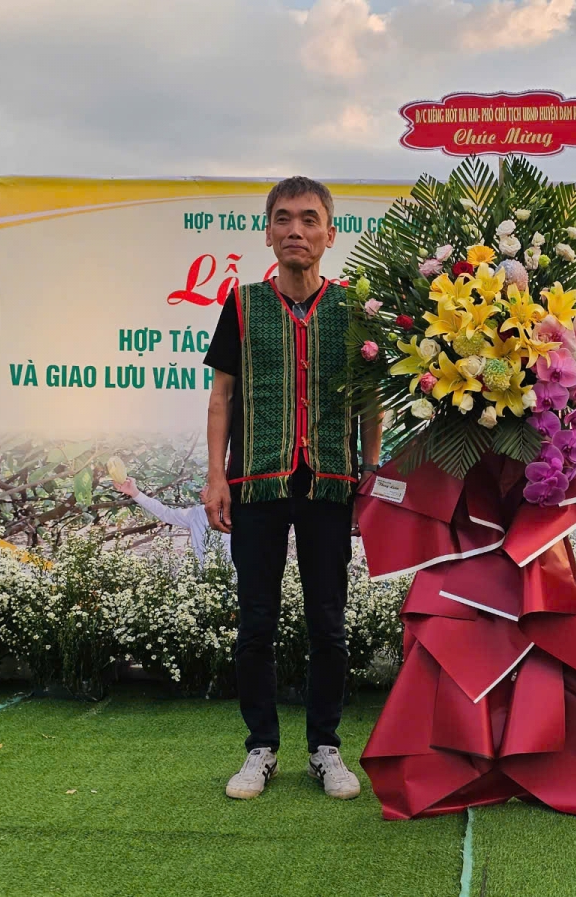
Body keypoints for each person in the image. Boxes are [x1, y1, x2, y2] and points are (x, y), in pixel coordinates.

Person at [201, 176, 382, 802]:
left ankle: (325, 748)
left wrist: (373, 470)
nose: (296, 231)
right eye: (284, 219)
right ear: (268, 231)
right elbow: (221, 396)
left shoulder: (356, 307)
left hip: (331, 483)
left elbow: (370, 399)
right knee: (256, 622)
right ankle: (260, 748)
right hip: (257, 483)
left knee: (328, 623)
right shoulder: (243, 303)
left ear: (331, 234)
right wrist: (215, 474)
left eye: (309, 220)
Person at [110, 476, 230, 565]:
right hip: (203, 578)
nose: (201, 490)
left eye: (207, 486)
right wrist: (135, 493)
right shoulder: (196, 513)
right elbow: (165, 513)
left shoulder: (235, 515)